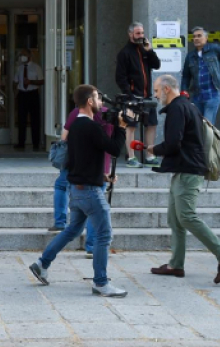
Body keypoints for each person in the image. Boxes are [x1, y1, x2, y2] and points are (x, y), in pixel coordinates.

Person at [29, 84, 128, 298]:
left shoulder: (75, 127)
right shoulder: (91, 127)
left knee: (72, 230)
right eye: (98, 99)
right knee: (103, 234)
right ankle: (101, 283)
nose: (102, 104)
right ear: (90, 102)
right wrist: (120, 127)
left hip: (78, 188)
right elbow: (114, 149)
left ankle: (42, 263)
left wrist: (102, 176)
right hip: (90, 191)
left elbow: (81, 160)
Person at [146, 75, 220, 283]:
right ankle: (176, 265)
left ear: (167, 89)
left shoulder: (178, 109)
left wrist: (153, 149)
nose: (155, 95)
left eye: (156, 90)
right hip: (183, 169)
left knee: (186, 216)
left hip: (189, 171)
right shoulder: (187, 106)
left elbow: (173, 144)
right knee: (175, 219)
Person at [52, 105, 112, 259]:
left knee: (61, 187)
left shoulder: (78, 113)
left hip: (79, 169)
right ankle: (91, 247)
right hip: (100, 168)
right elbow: (113, 146)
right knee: (94, 214)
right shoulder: (108, 115)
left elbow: (64, 137)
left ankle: (59, 223)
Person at [116, 22, 161, 167]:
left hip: (147, 97)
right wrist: (129, 94)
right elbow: (120, 77)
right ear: (130, 34)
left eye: (142, 33)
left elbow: (157, 65)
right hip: (133, 97)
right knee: (131, 126)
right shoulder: (124, 53)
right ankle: (131, 157)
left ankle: (150, 155)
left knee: (152, 125)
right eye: (138, 33)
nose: (141, 36)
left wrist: (150, 51)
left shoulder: (145, 50)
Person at [179, 27, 220, 125]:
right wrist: (184, 92)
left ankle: (208, 141)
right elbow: (186, 76)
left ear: (206, 38)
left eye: (199, 36)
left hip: (212, 94)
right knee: (197, 126)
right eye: (194, 37)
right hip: (197, 97)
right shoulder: (190, 56)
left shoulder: (214, 49)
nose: (196, 38)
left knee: (207, 125)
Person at [14, 51, 44, 152]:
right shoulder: (19, 68)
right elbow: (15, 81)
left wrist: (31, 82)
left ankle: (36, 143)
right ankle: (21, 142)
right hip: (22, 94)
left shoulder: (36, 67)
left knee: (35, 119)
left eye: (25, 55)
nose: (22, 57)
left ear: (30, 56)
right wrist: (15, 93)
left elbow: (41, 81)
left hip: (33, 94)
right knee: (21, 119)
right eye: (22, 55)